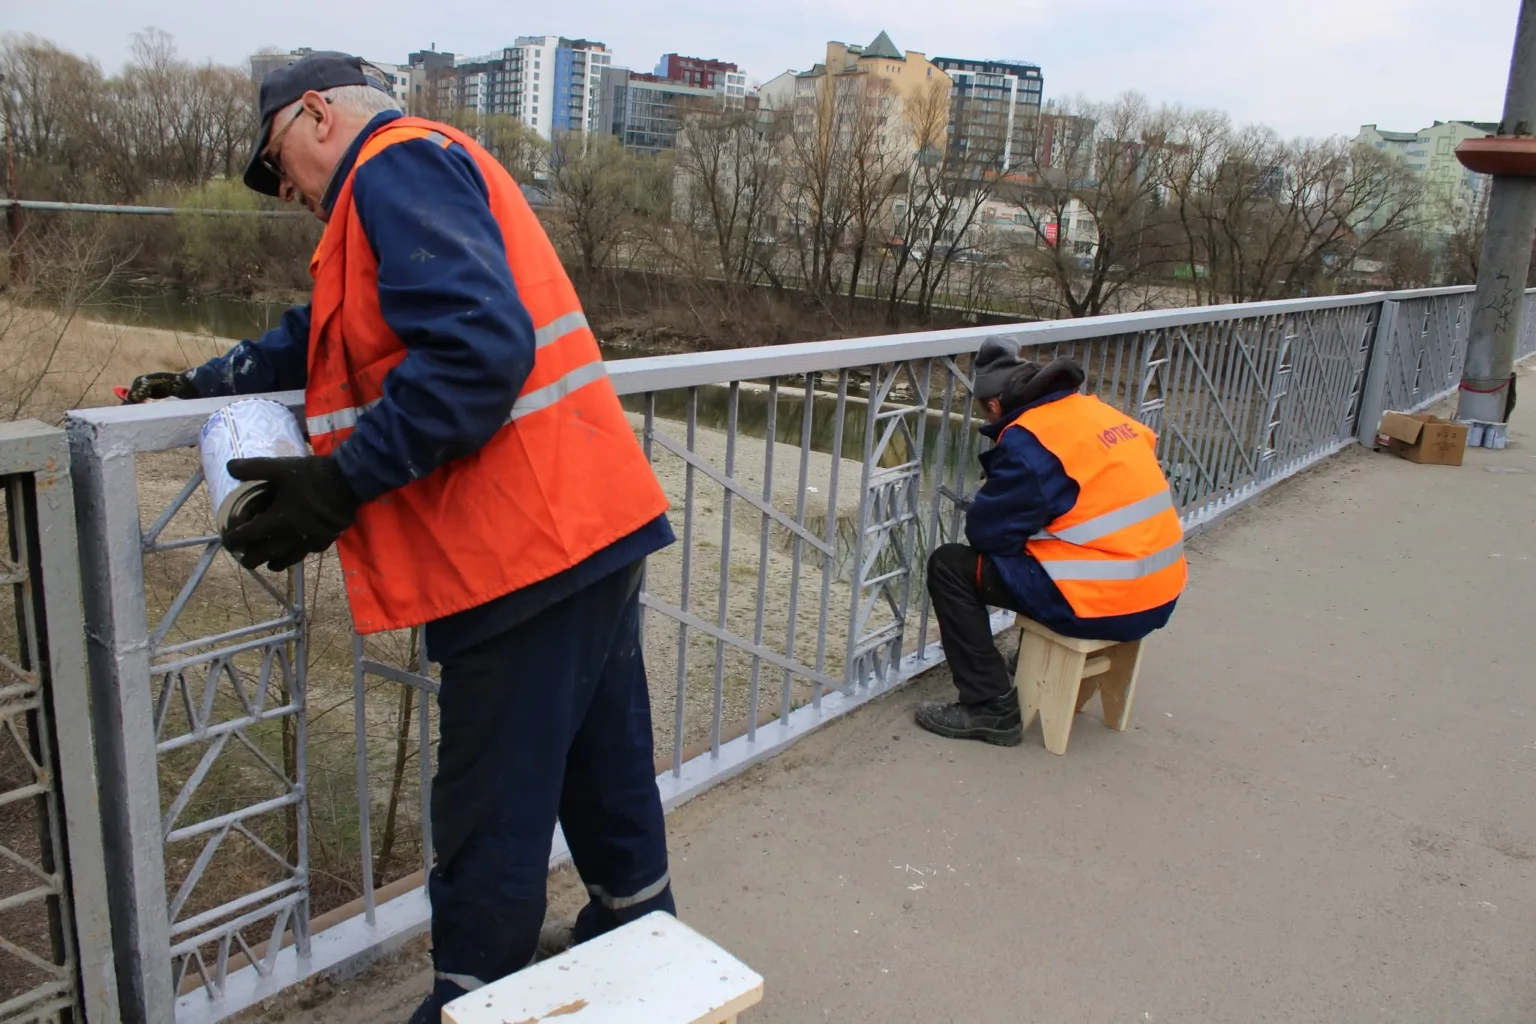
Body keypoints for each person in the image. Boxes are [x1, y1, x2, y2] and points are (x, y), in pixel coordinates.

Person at [122, 52, 676, 1022]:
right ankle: (643, 940)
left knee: (489, 811)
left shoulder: (392, 169)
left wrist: (340, 481)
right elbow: (325, 337)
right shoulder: (409, 182)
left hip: (517, 550)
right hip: (587, 524)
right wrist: (211, 380)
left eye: (275, 158)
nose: (280, 184)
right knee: (600, 766)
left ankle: (474, 998)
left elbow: (478, 353)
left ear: (317, 114)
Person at [916, 338, 1187, 747]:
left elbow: (988, 535)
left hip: (1107, 602)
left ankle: (989, 708)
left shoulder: (1031, 444)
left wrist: (996, 502)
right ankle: (1027, 662)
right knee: (1038, 544)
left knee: (951, 566)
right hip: (1161, 592)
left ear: (993, 405)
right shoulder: (1094, 412)